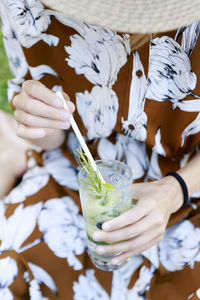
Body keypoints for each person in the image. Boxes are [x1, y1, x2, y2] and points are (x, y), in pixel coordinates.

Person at [0, 0, 200, 299]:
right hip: (75, 174)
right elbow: (54, 139)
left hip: (190, 185)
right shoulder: (28, 4)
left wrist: (175, 191)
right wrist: (39, 122)